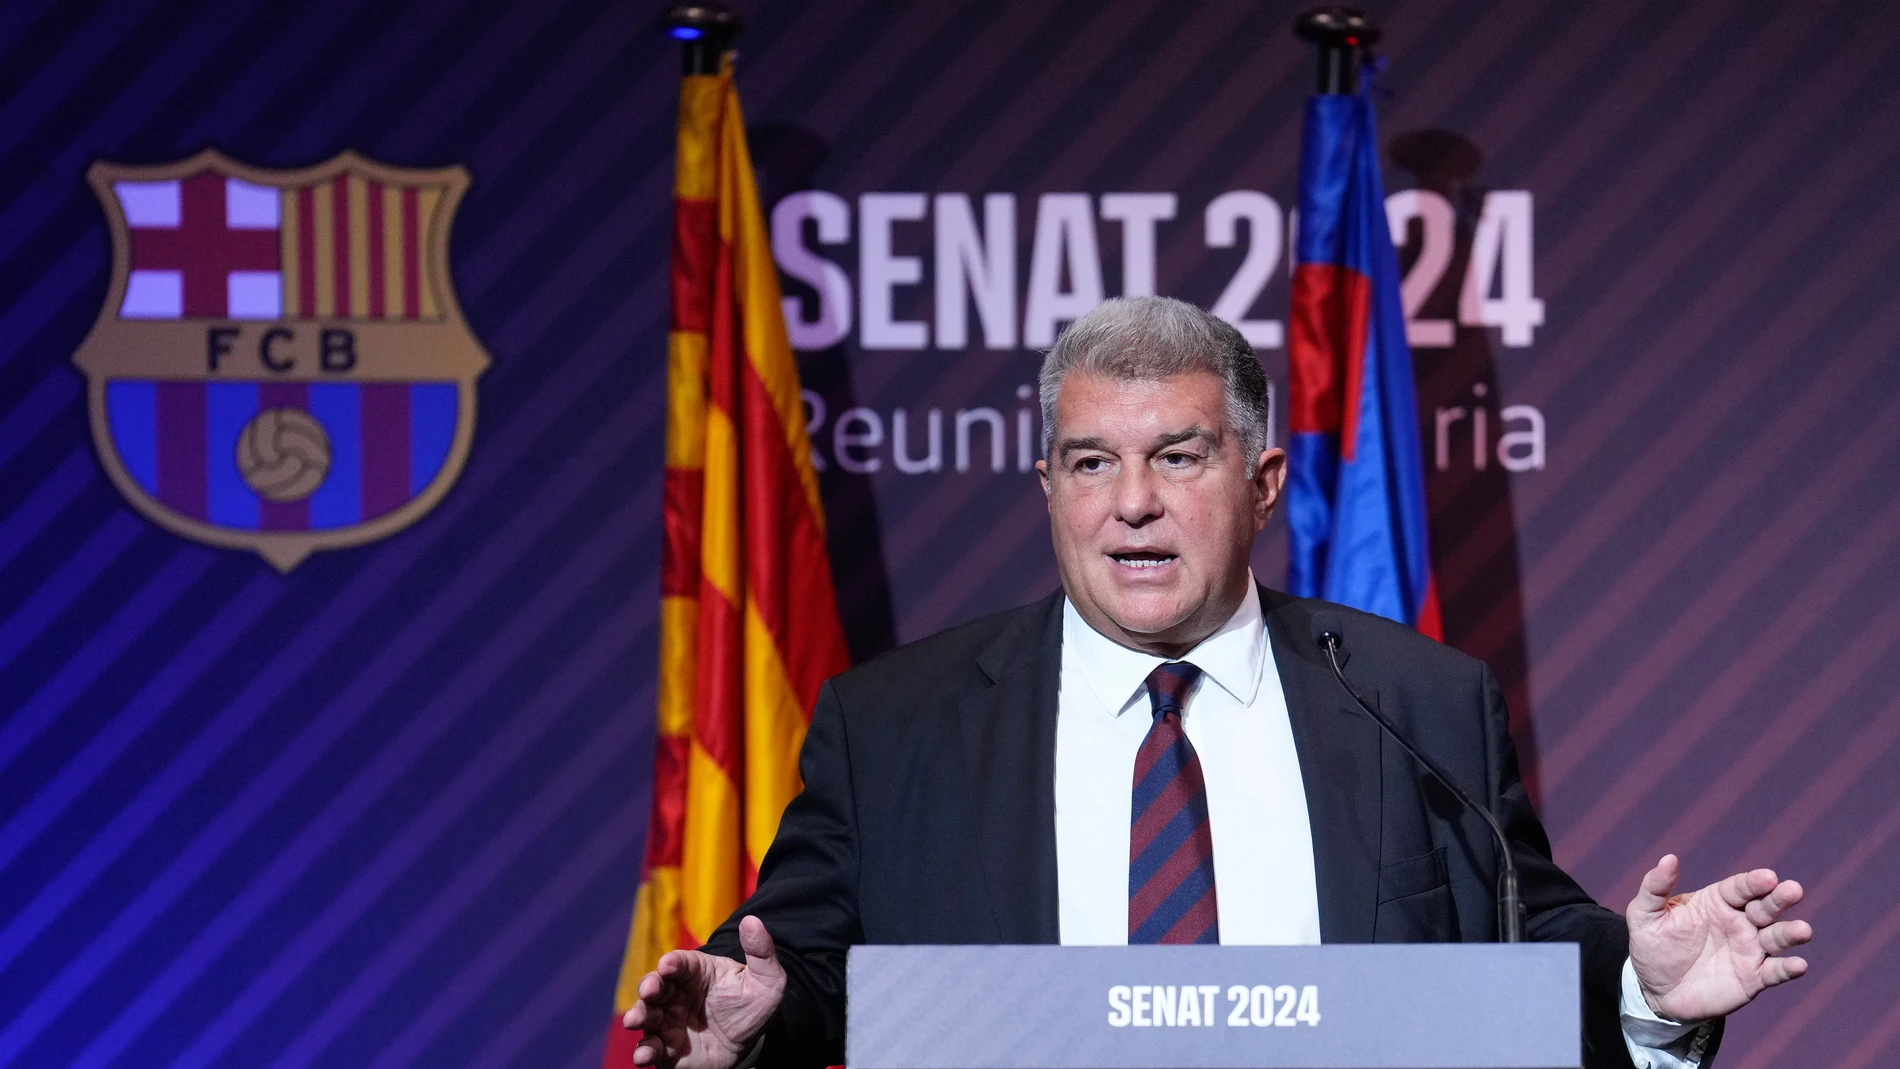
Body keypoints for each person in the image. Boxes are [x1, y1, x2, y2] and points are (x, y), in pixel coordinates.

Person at [622, 296, 1811, 1069]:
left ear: (1262, 481)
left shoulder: (1412, 698)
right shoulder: (896, 724)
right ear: (1048, 486)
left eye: (1177, 457)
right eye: (1092, 461)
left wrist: (1645, 992)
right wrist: (756, 1014)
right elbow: (820, 970)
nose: (1130, 500)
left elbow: (1516, 949)